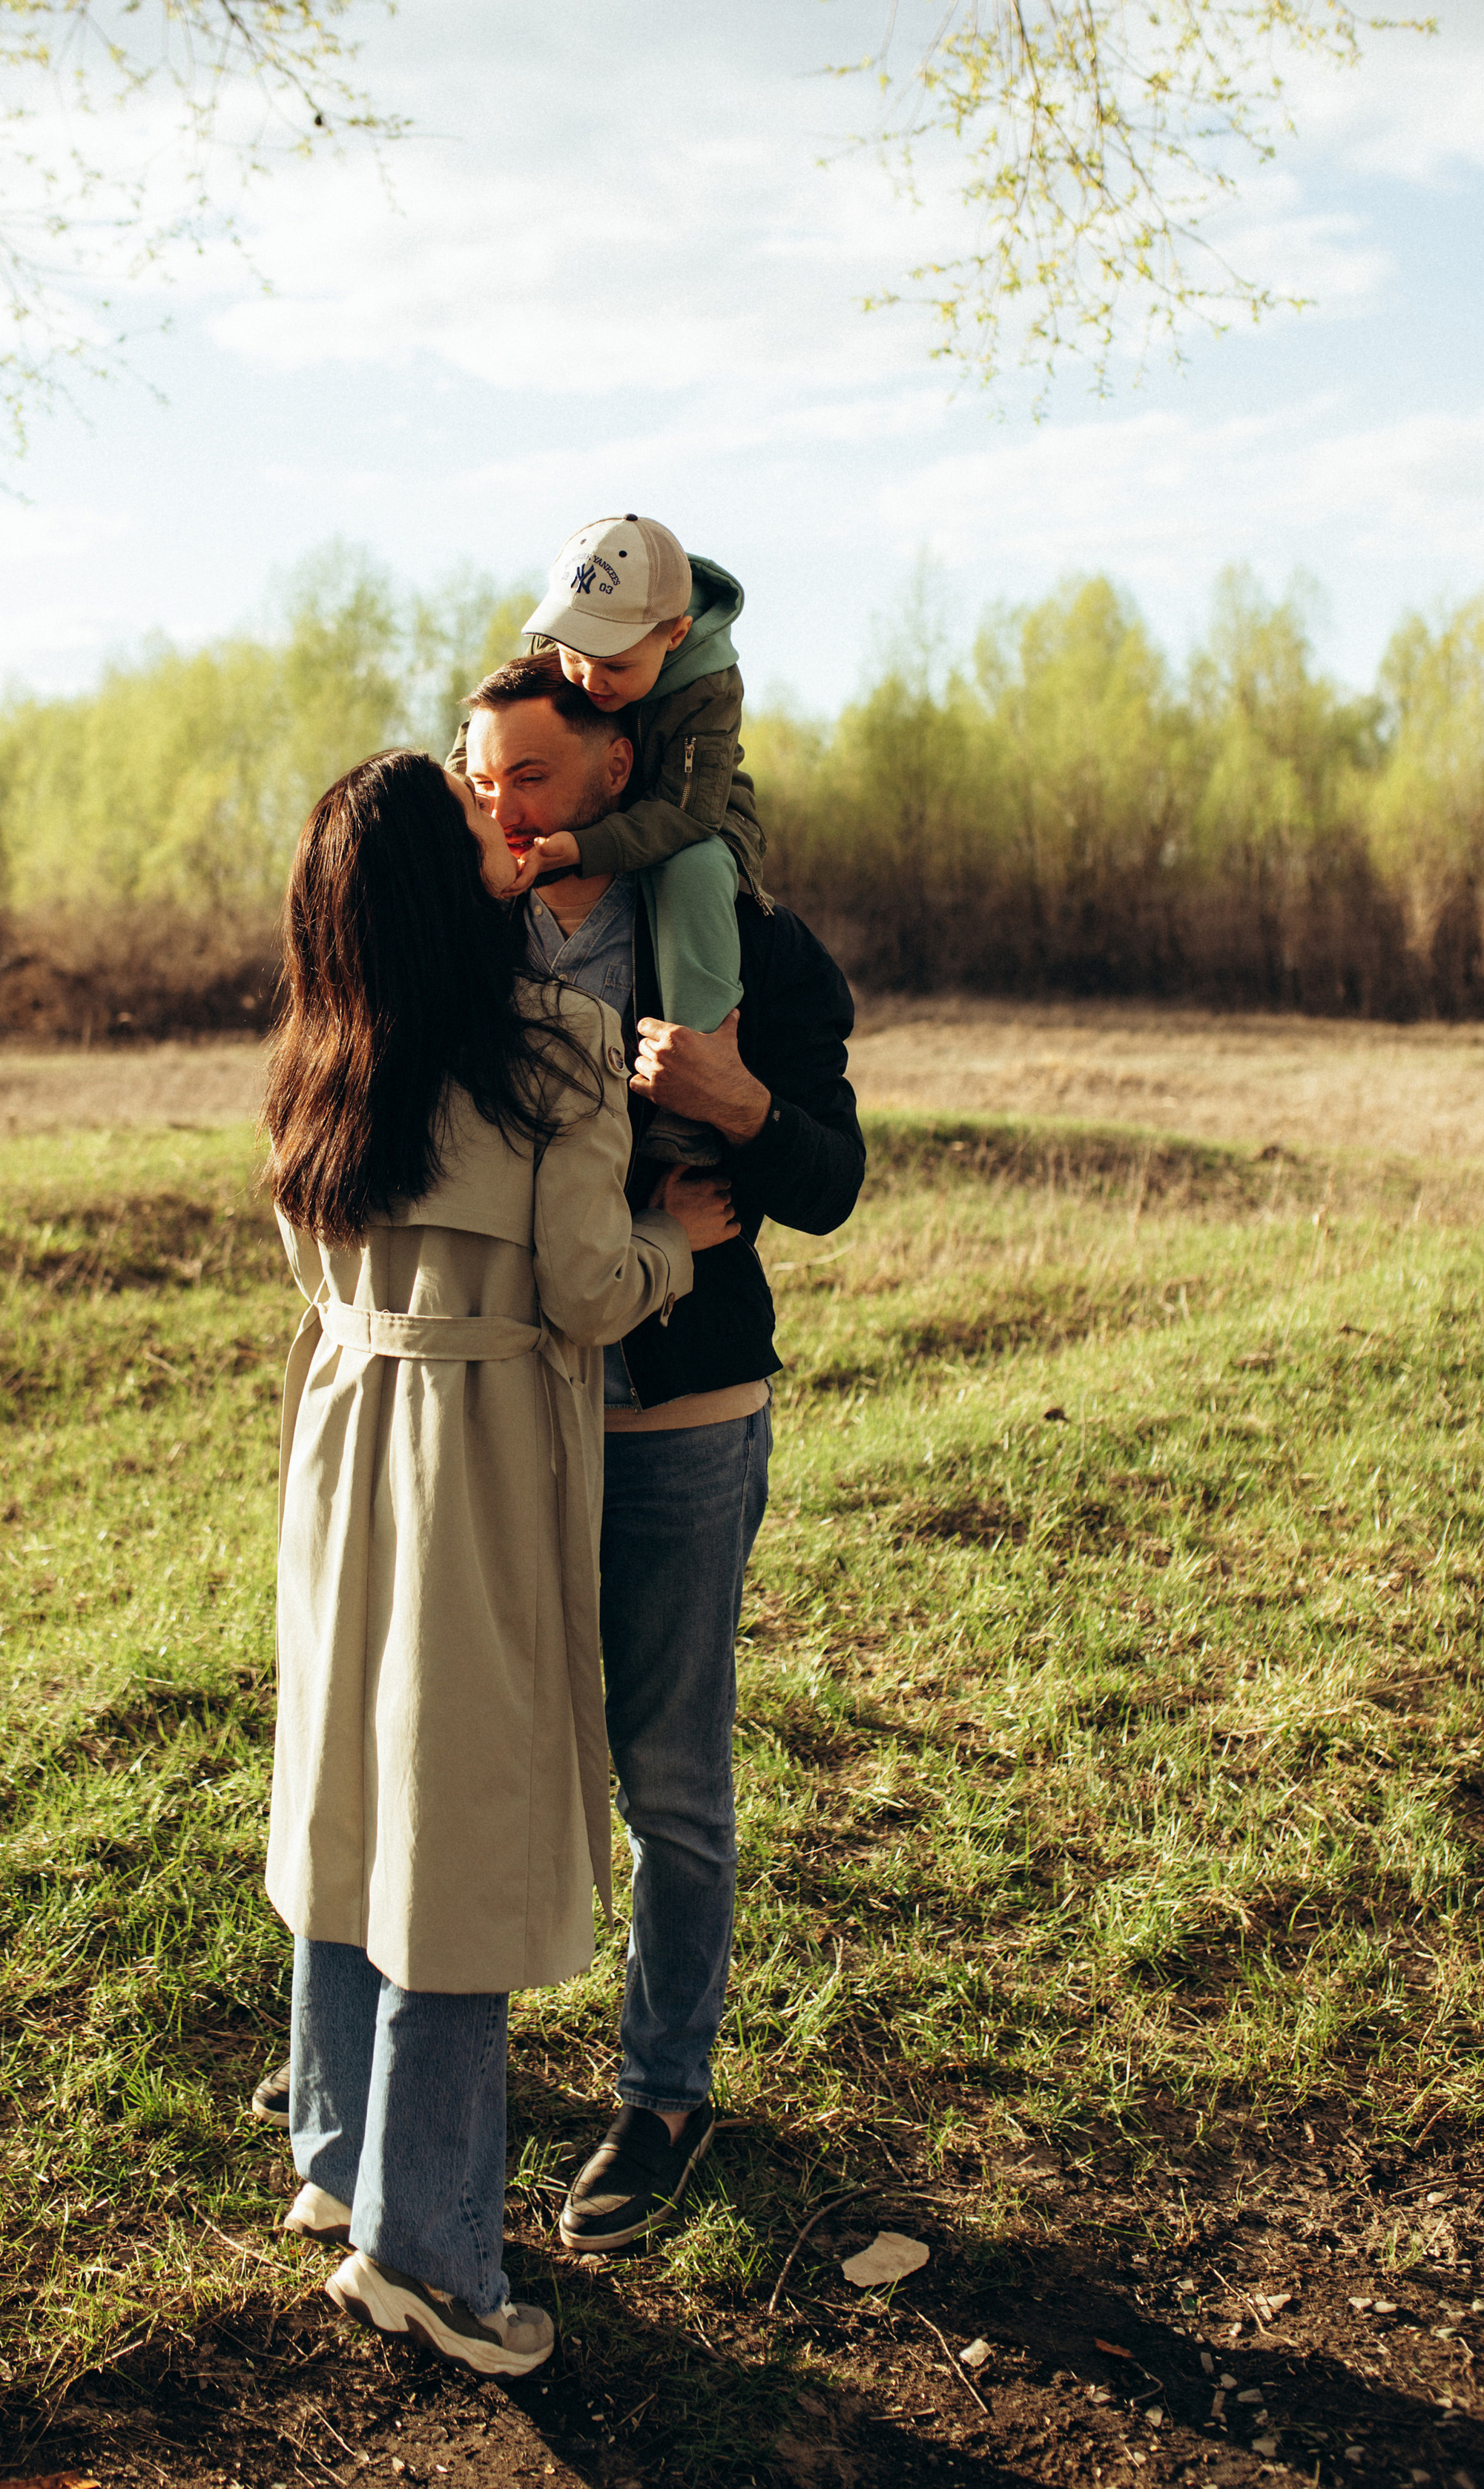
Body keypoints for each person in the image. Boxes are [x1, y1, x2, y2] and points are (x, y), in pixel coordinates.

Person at [259, 749, 740, 2374]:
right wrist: (687, 1240)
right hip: (467, 1451)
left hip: (342, 1439)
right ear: (432, 882)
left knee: (350, 1791)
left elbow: (309, 1259)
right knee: (458, 1825)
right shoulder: (551, 1051)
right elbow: (592, 1289)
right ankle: (433, 2255)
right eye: (478, 825)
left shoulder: (317, 1060)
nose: (508, 832)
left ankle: (336, 2164)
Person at [459, 653, 866, 2253]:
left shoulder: (747, 946)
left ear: (616, 770)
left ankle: (662, 2091)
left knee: (672, 1784)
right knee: (493, 1747)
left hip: (682, 1424)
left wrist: (740, 1101)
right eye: (480, 778)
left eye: (532, 779)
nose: (501, 808)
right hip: (506, 1411)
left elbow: (828, 1184)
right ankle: (443, 2049)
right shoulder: (458, 939)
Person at [452, 511, 765, 1166]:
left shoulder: (711, 683)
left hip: (691, 818)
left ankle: (688, 1087)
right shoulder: (571, 659)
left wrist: (579, 848)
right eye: (573, 655)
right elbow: (485, 736)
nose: (588, 680)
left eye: (614, 666)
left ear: (674, 634)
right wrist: (460, 810)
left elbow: (687, 812)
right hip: (589, 818)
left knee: (693, 873)